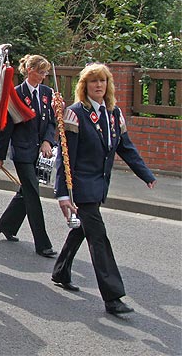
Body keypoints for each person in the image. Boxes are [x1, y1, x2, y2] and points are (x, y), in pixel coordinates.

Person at [52, 63, 156, 315]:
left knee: (82, 231)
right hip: (82, 188)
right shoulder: (75, 114)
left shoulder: (114, 113)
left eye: (102, 81)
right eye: (93, 81)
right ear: (84, 86)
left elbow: (125, 147)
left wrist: (145, 174)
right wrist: (63, 193)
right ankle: (112, 297)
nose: (98, 86)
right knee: (99, 238)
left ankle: (61, 271)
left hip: (99, 185)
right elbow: (65, 159)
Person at [0, 54, 57, 257]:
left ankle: (7, 225)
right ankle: (42, 243)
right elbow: (6, 126)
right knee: (32, 192)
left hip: (40, 151)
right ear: (30, 71)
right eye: (41, 72)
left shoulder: (47, 93)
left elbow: (52, 122)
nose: (44, 76)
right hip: (22, 151)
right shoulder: (16, 94)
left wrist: (48, 141)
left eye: (46, 72)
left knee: (26, 190)